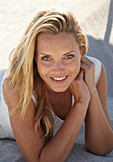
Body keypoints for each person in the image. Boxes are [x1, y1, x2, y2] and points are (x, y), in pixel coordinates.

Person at [1, 8, 113, 162]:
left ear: (81, 51)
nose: (58, 70)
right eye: (46, 58)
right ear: (33, 57)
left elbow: (102, 148)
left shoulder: (94, 71)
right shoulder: (17, 85)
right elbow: (41, 160)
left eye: (68, 56)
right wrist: (80, 103)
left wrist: (91, 92)